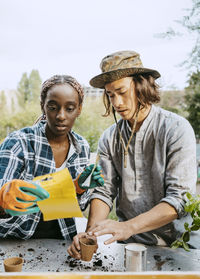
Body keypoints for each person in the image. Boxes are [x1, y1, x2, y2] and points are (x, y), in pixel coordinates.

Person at [68, 50, 198, 259]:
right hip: (130, 247)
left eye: (121, 91)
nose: (116, 103)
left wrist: (128, 226)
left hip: (179, 247)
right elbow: (103, 191)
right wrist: (90, 235)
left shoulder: (176, 129)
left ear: (141, 86)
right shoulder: (109, 137)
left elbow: (179, 200)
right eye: (110, 95)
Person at [0, 74, 104, 239]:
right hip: (16, 239)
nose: (61, 116)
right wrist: (2, 197)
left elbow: (79, 206)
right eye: (53, 107)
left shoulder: (81, 146)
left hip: (60, 239)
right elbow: (4, 200)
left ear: (79, 109)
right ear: (43, 106)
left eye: (69, 108)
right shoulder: (19, 142)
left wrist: (79, 189)